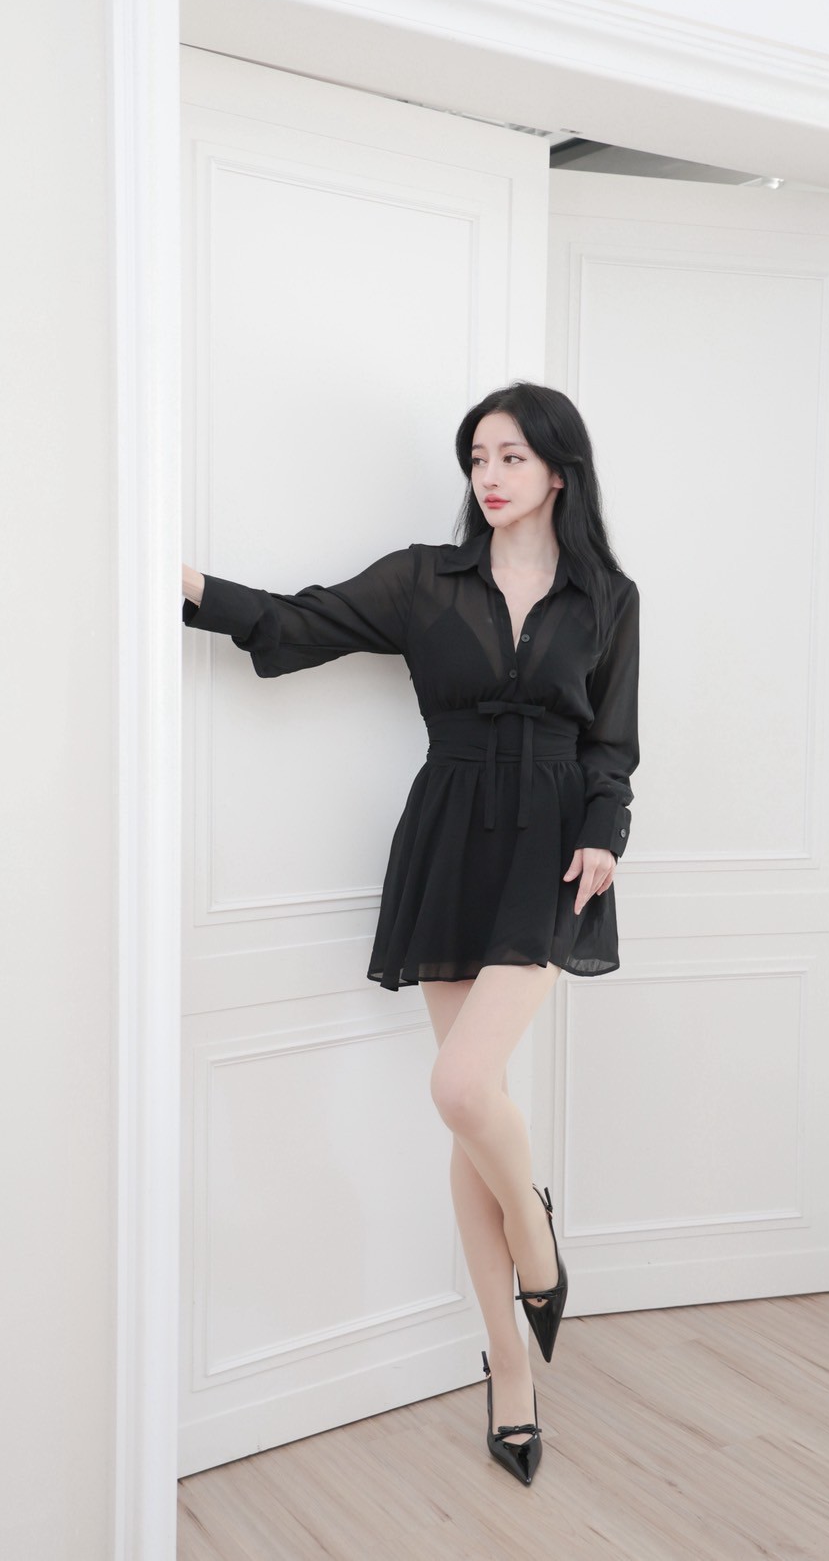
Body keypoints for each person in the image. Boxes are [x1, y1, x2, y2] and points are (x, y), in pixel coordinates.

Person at [181, 379, 640, 1487]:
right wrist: (180, 581)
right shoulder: (424, 580)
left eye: (511, 456)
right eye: (477, 456)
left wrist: (606, 831)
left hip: (552, 853)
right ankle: (512, 1364)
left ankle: (535, 1242)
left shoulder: (607, 596)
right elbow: (296, 621)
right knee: (470, 1114)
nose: (489, 475)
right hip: (449, 841)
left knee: (462, 1087)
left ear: (559, 471)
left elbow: (613, 745)